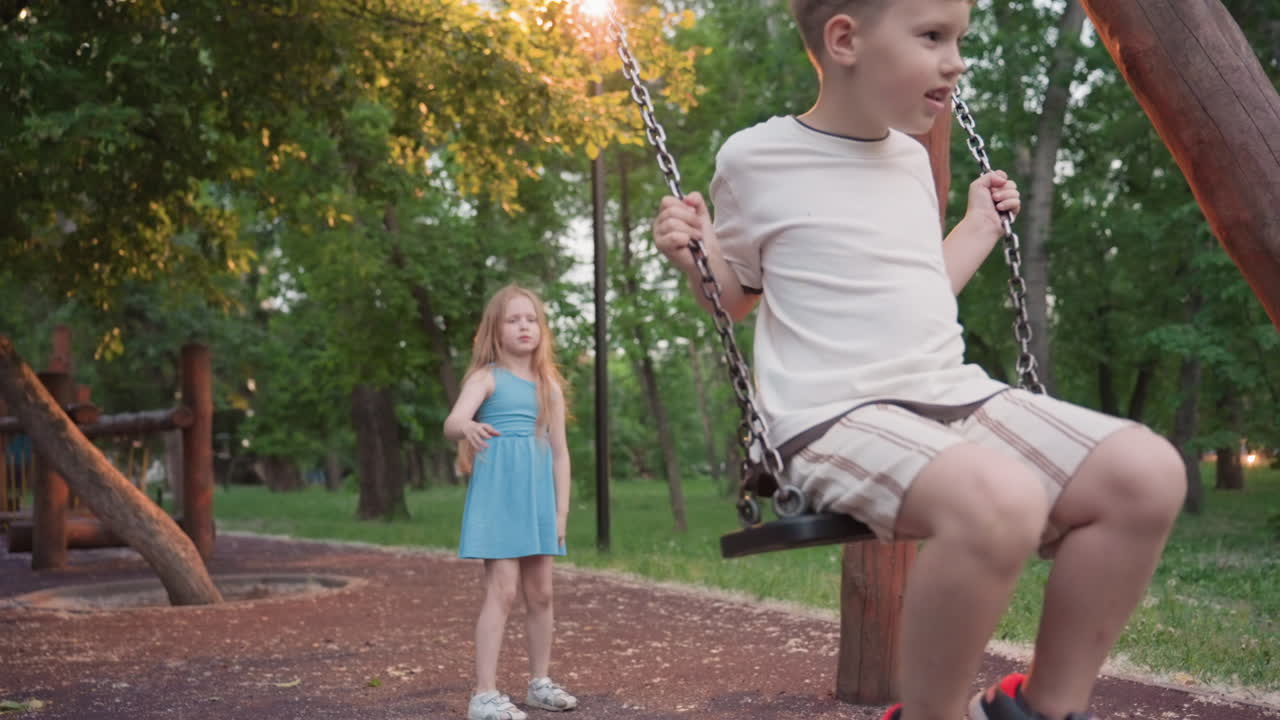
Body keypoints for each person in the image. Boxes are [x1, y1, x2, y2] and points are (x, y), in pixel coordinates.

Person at [651, 1, 1186, 719]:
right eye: (933, 37)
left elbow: (916, 286)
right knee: (1004, 500)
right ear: (845, 39)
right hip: (830, 413)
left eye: (958, 38)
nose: (956, 59)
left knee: (1147, 475)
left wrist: (975, 227)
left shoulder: (909, 158)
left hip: (950, 394)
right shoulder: (755, 158)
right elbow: (737, 295)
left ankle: (1042, 708)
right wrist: (695, 253)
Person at [444, 284, 578, 720]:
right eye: (513, 319)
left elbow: (559, 452)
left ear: (541, 329)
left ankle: (539, 682)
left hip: (538, 499)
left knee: (541, 592)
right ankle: (484, 695)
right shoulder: (486, 378)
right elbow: (453, 421)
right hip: (500, 495)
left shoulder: (548, 386)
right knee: (501, 591)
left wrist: (560, 511)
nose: (524, 326)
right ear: (495, 331)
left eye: (531, 319)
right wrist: (467, 428)